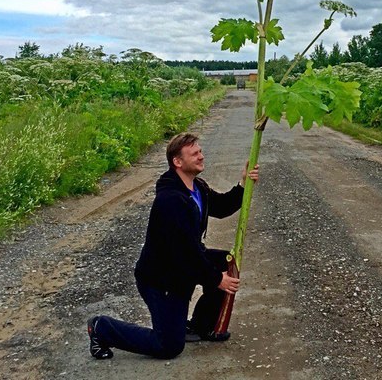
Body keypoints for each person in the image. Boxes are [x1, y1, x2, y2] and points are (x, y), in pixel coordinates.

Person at [86, 131, 259, 360]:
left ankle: (200, 326)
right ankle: (101, 328)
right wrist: (217, 280)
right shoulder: (170, 201)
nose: (201, 156)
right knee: (168, 346)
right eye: (194, 153)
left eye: (200, 151)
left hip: (180, 270)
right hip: (161, 280)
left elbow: (222, 206)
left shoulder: (198, 188)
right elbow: (186, 255)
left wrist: (243, 183)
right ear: (177, 162)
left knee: (224, 262)